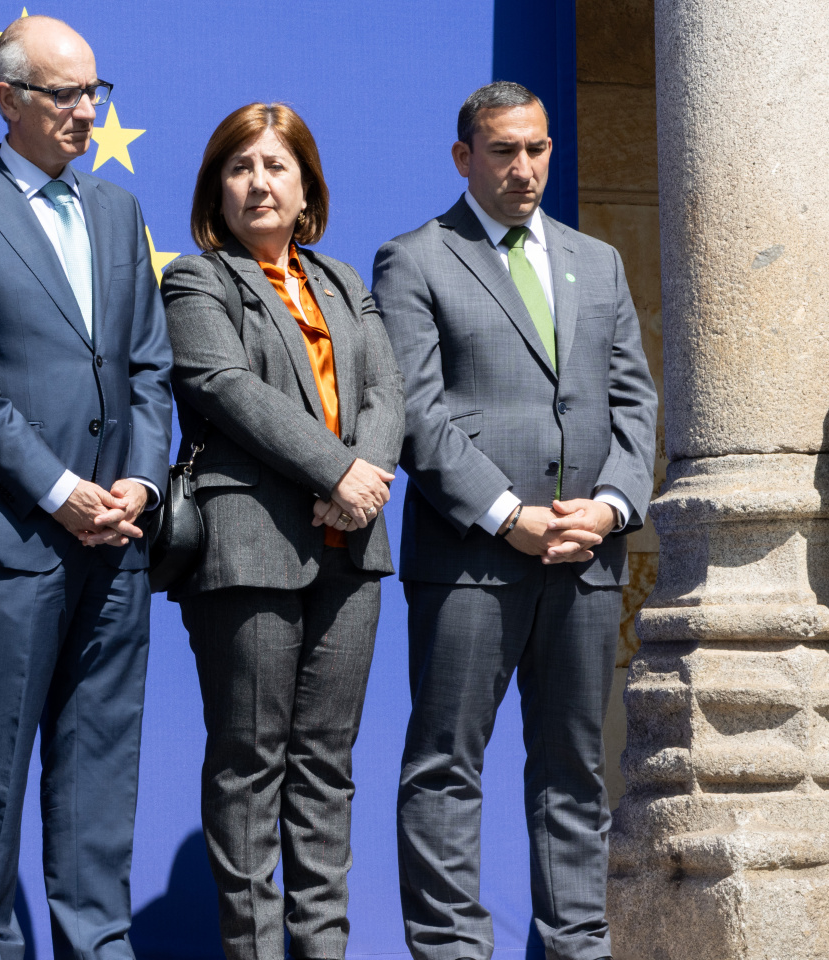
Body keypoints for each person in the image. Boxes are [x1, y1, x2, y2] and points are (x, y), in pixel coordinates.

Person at [0, 16, 173, 959]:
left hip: (119, 537)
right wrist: (59, 490)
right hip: (14, 536)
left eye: (96, 93)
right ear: (7, 98)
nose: (86, 113)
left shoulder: (116, 210)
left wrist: (138, 482)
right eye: (65, 95)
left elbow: (147, 366)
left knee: (100, 768)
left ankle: (97, 946)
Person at [373, 81, 657, 960]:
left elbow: (633, 402)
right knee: (446, 766)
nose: (525, 168)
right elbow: (419, 414)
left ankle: (577, 945)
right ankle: (453, 950)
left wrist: (608, 509)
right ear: (465, 157)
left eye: (536, 149)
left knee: (573, 772)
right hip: (470, 561)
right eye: (504, 151)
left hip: (585, 558)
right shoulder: (414, 259)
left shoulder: (596, 262)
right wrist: (509, 516)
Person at [160, 103, 405, 960]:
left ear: (307, 188)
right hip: (250, 550)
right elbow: (224, 385)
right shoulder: (197, 280)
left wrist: (362, 485)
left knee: (328, 769)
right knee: (249, 764)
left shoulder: (344, 281)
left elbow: (385, 394)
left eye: (276, 166)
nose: (258, 182)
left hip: (352, 550)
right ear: (216, 191)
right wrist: (335, 472)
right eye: (239, 167)